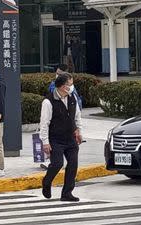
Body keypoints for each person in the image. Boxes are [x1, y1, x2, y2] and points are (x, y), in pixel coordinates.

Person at [40, 73, 82, 202]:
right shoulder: (48, 101)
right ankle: (47, 182)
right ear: (63, 87)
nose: (72, 86)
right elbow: (44, 123)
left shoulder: (72, 97)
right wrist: (45, 142)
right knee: (57, 164)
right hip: (55, 138)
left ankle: (67, 193)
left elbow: (77, 116)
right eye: (70, 84)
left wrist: (79, 131)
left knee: (73, 164)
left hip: (70, 137)